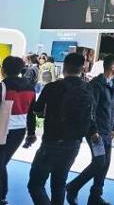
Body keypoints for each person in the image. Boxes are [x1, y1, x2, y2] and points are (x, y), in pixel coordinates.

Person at [27, 53, 93, 205]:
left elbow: (37, 110)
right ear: (82, 68)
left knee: (36, 184)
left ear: (64, 66)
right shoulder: (88, 88)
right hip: (74, 143)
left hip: (51, 142)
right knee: (59, 184)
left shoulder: (52, 87)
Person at [66, 54, 114, 205]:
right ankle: (73, 187)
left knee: (105, 163)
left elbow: (111, 107)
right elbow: (90, 109)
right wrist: (93, 130)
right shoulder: (96, 84)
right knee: (99, 162)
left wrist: (113, 126)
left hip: (107, 130)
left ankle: (95, 196)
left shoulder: (112, 83)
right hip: (96, 132)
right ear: (113, 67)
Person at [0, 56, 36, 205]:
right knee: (2, 162)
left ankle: (2, 195)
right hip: (19, 132)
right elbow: (31, 113)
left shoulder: (2, 86)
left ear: (3, 70)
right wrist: (31, 133)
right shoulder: (30, 88)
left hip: (2, 129)